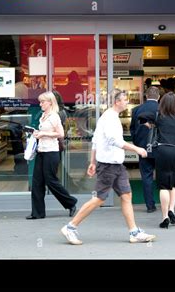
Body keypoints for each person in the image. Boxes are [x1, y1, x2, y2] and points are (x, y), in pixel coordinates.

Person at [60, 89, 156, 245]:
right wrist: (137, 149)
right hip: (109, 166)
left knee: (126, 196)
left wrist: (92, 162)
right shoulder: (110, 118)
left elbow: (96, 140)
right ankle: (70, 227)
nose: (127, 102)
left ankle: (134, 232)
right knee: (98, 198)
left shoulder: (108, 117)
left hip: (116, 165)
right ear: (117, 101)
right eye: (125, 99)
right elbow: (114, 141)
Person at [26, 91, 77, 219]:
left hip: (51, 152)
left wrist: (44, 134)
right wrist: (37, 133)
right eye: (40, 101)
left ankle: (70, 203)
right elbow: (45, 131)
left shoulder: (54, 116)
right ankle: (37, 213)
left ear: (50, 102)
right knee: (37, 182)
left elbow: (61, 134)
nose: (40, 104)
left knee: (51, 180)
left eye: (43, 102)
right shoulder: (43, 115)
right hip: (41, 151)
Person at [141, 92, 175, 229]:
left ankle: (165, 216)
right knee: (174, 182)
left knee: (163, 185)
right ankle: (172, 209)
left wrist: (149, 124)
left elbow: (140, 116)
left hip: (164, 150)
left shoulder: (158, 116)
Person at [130, 86, 159, 213]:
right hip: (160, 148)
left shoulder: (137, 109)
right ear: (158, 97)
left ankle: (150, 205)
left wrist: (137, 145)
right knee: (163, 176)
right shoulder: (162, 109)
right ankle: (167, 205)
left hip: (143, 148)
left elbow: (132, 129)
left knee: (146, 177)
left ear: (146, 96)